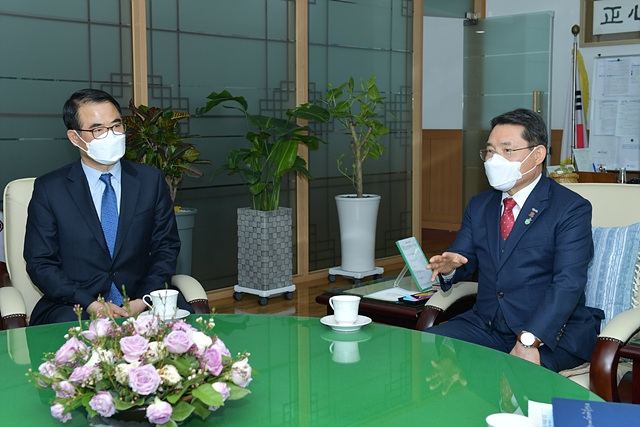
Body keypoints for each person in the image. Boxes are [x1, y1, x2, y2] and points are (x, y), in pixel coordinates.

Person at [425, 108, 604, 372]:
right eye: (490, 151)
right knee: (424, 349)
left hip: (552, 333)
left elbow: (568, 282)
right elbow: (462, 257)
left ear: (538, 154)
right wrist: (451, 268)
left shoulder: (570, 208)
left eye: (507, 150)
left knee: (513, 376)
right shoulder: (479, 205)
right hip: (486, 326)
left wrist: (530, 339)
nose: (494, 160)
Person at [25, 88, 192, 325]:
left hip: (142, 298)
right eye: (98, 130)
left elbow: (166, 247)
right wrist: (91, 304)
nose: (111, 135)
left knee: (192, 339)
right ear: (75, 138)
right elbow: (40, 262)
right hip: (75, 304)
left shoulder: (150, 181)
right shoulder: (50, 189)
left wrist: (144, 300)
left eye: (116, 126)